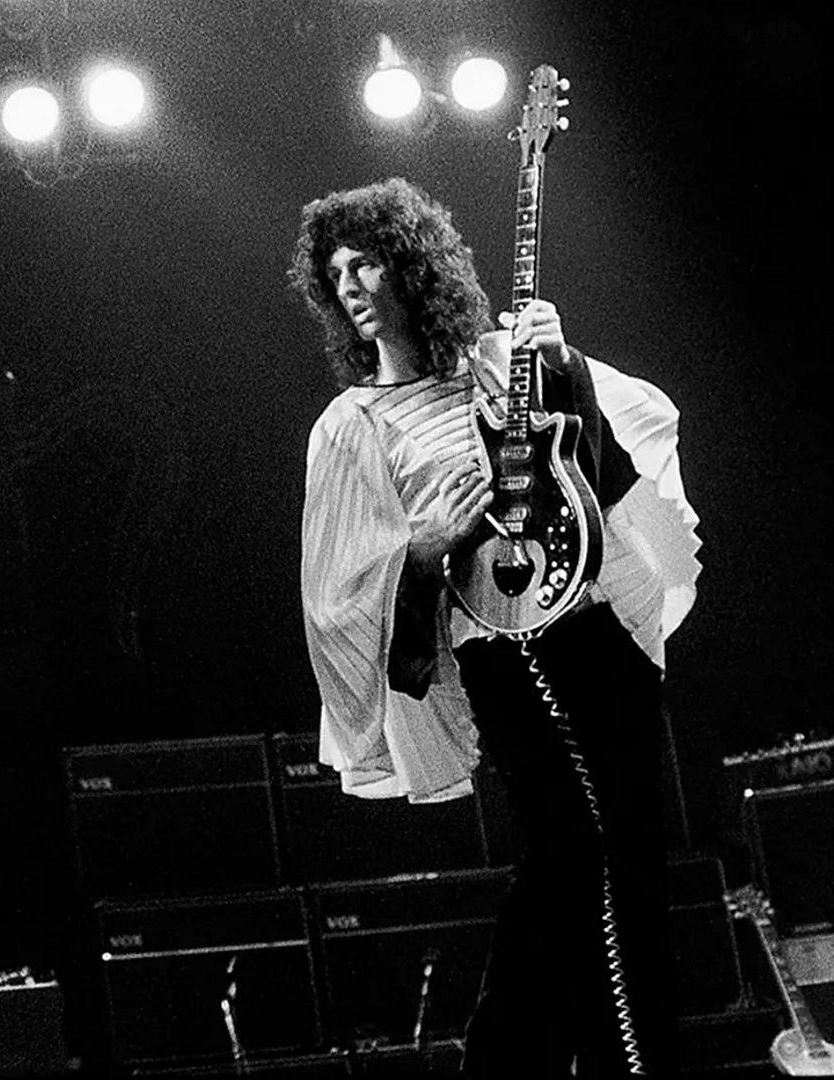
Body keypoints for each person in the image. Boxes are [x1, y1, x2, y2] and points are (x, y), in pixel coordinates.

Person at [291, 178, 701, 1077]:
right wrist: (426, 547)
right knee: (573, 852)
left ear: (413, 266)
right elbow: (337, 600)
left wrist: (565, 364)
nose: (351, 284)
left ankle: (599, 1059)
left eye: (367, 262)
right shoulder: (352, 427)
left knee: (623, 854)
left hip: (592, 628)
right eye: (336, 272)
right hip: (507, 653)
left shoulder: (495, 365)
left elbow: (615, 459)